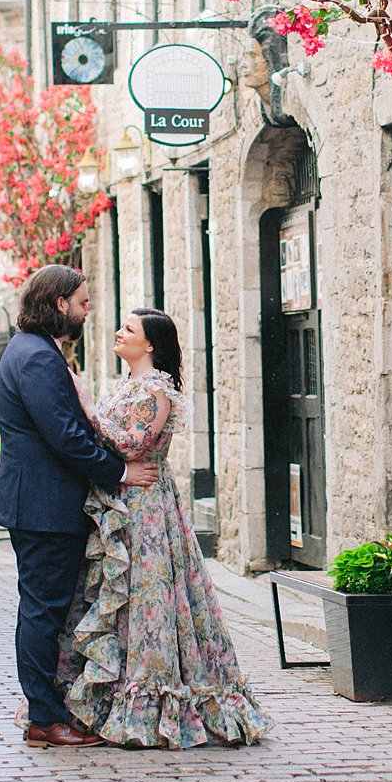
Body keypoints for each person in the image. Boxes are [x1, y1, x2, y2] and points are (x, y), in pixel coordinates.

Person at [58, 307, 270, 748]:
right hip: (125, 500)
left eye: (129, 329)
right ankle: (110, 691)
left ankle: (152, 703)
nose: (119, 332)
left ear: (149, 344)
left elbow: (133, 443)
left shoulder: (157, 390)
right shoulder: (133, 385)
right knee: (125, 596)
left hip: (146, 509)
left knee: (150, 594)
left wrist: (85, 409)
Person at [0, 265, 159, 749]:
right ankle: (44, 718)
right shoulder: (38, 357)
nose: (89, 312)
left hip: (42, 503)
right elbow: (64, 436)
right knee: (43, 611)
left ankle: (48, 711)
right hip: (42, 505)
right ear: (60, 303)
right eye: (84, 303)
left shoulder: (34, 350)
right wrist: (121, 472)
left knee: (45, 609)